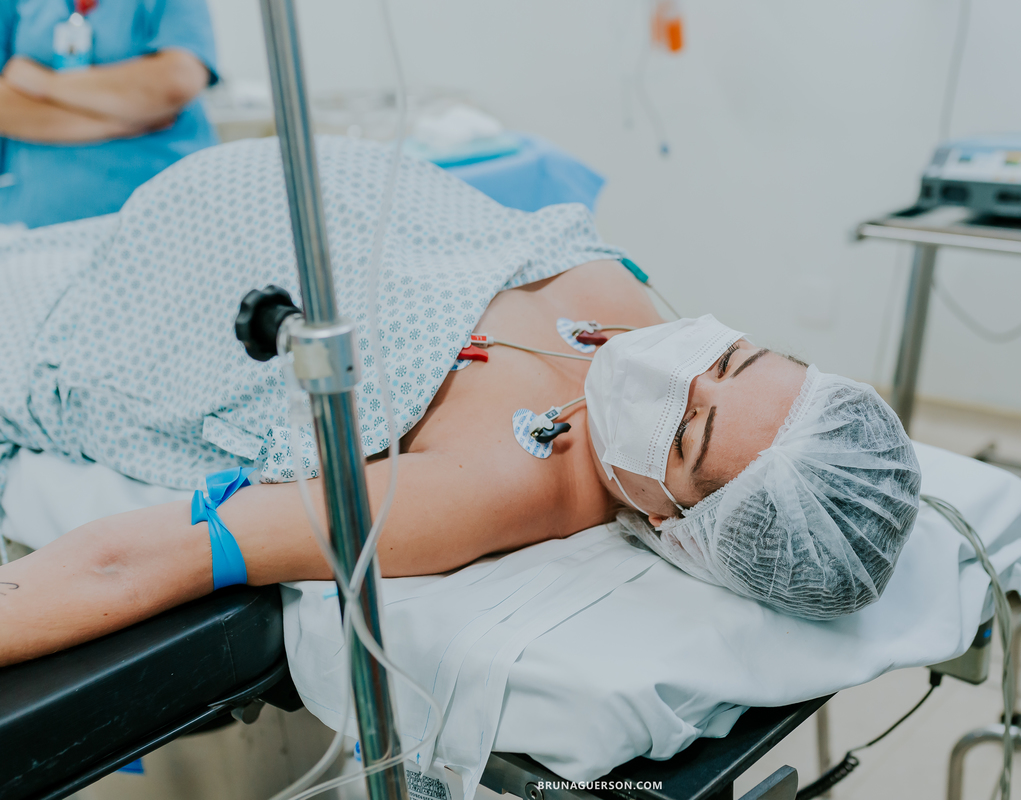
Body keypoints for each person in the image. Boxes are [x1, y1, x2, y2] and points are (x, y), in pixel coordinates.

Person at [0, 136, 920, 667]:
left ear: (680, 526)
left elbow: (141, 560)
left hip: (73, 326)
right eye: (734, 356)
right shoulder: (647, 323)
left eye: (686, 430)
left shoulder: (497, 490)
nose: (677, 367)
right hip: (124, 233)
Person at [0, 0, 219, 228]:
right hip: (35, 227)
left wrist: (44, 83)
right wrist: (117, 123)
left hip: (169, 219)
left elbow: (177, 80)